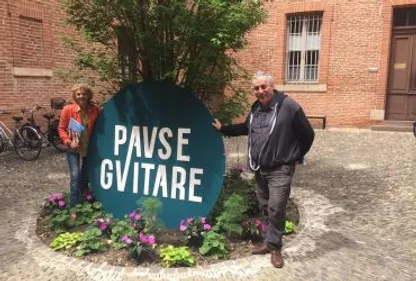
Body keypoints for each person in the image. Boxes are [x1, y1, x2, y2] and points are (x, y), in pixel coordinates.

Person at [212, 71, 314, 268]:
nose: (260, 91)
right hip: (260, 168)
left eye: (263, 87)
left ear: (271, 87)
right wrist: (223, 128)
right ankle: (269, 241)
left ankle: (275, 248)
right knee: (265, 206)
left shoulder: (288, 106)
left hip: (280, 169)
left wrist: (295, 155)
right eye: (256, 88)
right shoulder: (256, 109)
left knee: (276, 207)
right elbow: (246, 128)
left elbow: (308, 134)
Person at [58, 84, 100, 206]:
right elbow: (61, 129)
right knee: (75, 176)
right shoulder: (68, 109)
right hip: (73, 148)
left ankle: (83, 197)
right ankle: (75, 205)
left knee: (86, 175)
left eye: (84, 94)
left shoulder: (95, 110)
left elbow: (100, 128)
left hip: (89, 147)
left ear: (88, 95)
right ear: (75, 96)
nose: (81, 96)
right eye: (78, 94)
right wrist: (68, 141)